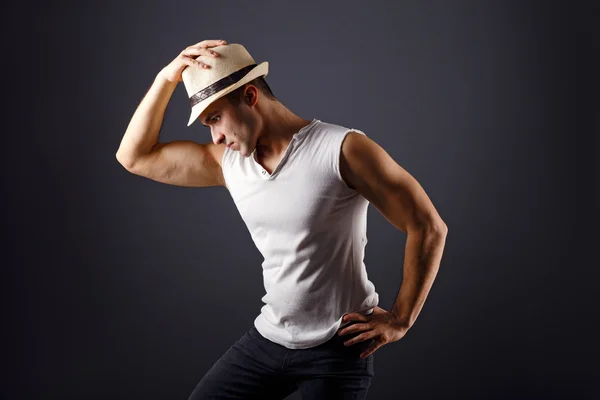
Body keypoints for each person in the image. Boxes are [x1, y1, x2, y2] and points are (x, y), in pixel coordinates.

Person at [116, 39, 448, 400]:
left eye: (215, 118)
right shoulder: (227, 164)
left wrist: (401, 319)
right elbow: (133, 157)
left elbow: (427, 225)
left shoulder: (342, 149)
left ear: (250, 97)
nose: (216, 136)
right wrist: (167, 79)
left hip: (336, 350)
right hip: (268, 341)